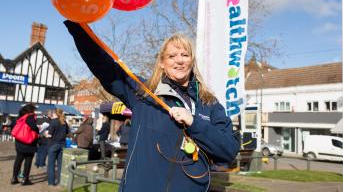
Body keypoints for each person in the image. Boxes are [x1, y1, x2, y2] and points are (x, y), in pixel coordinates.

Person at [64, 21, 239, 192]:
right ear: (162, 62)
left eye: (185, 55)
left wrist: (194, 123)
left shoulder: (210, 103)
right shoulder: (144, 93)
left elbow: (229, 150)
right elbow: (105, 67)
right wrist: (77, 25)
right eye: (172, 56)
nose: (179, 61)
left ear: (192, 61)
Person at [11, 103, 39, 186]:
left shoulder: (20, 116)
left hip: (19, 141)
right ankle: (25, 179)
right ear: (31, 110)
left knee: (18, 160)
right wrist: (38, 129)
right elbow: (33, 127)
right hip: (29, 143)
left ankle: (14, 178)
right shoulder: (30, 117)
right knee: (28, 161)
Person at [46, 109, 69, 186]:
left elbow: (49, 135)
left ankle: (51, 182)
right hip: (62, 145)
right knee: (60, 165)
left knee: (51, 165)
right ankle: (60, 181)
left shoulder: (53, 122)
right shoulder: (64, 122)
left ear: (55, 114)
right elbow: (68, 133)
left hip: (53, 145)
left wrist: (45, 134)